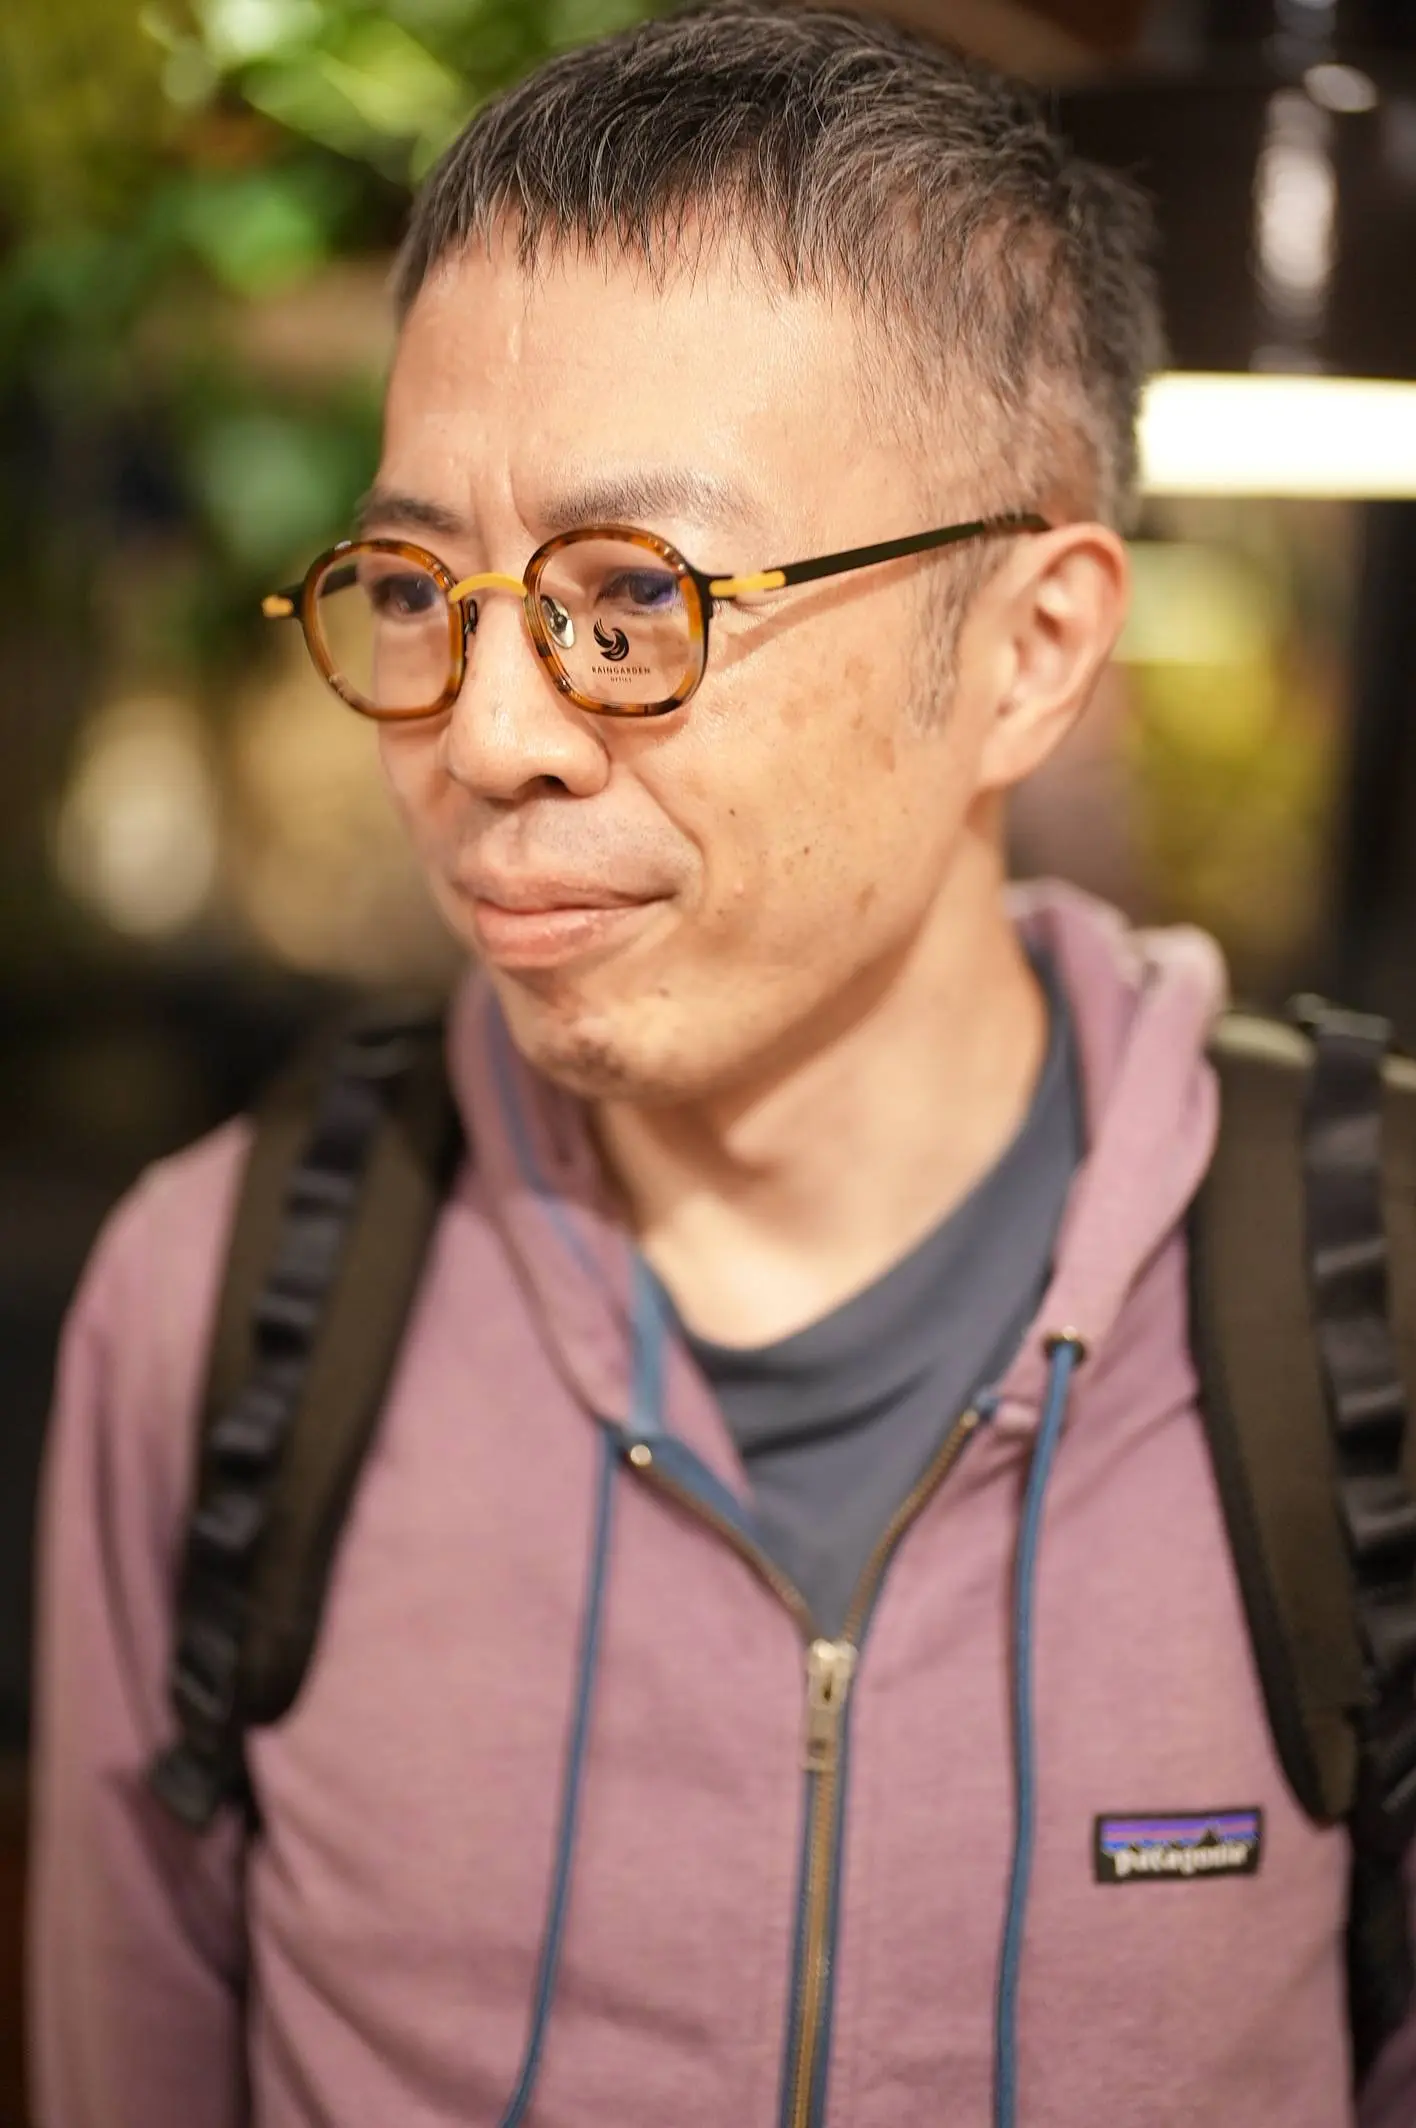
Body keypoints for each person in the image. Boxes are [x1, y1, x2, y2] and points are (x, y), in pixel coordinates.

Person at [27, 6, 1416, 2125]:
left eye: (634, 597)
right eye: (415, 585)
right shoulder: (221, 1315)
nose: (489, 732)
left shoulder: (1365, 1320)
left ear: (1033, 648)